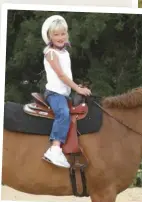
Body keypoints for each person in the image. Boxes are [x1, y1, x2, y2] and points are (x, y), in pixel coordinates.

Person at [41, 15, 91, 168]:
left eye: (63, 34)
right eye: (56, 34)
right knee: (63, 113)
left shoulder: (65, 53)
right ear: (49, 36)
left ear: (67, 34)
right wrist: (78, 88)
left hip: (63, 93)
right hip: (54, 93)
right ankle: (55, 149)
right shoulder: (50, 53)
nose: (60, 37)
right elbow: (61, 75)